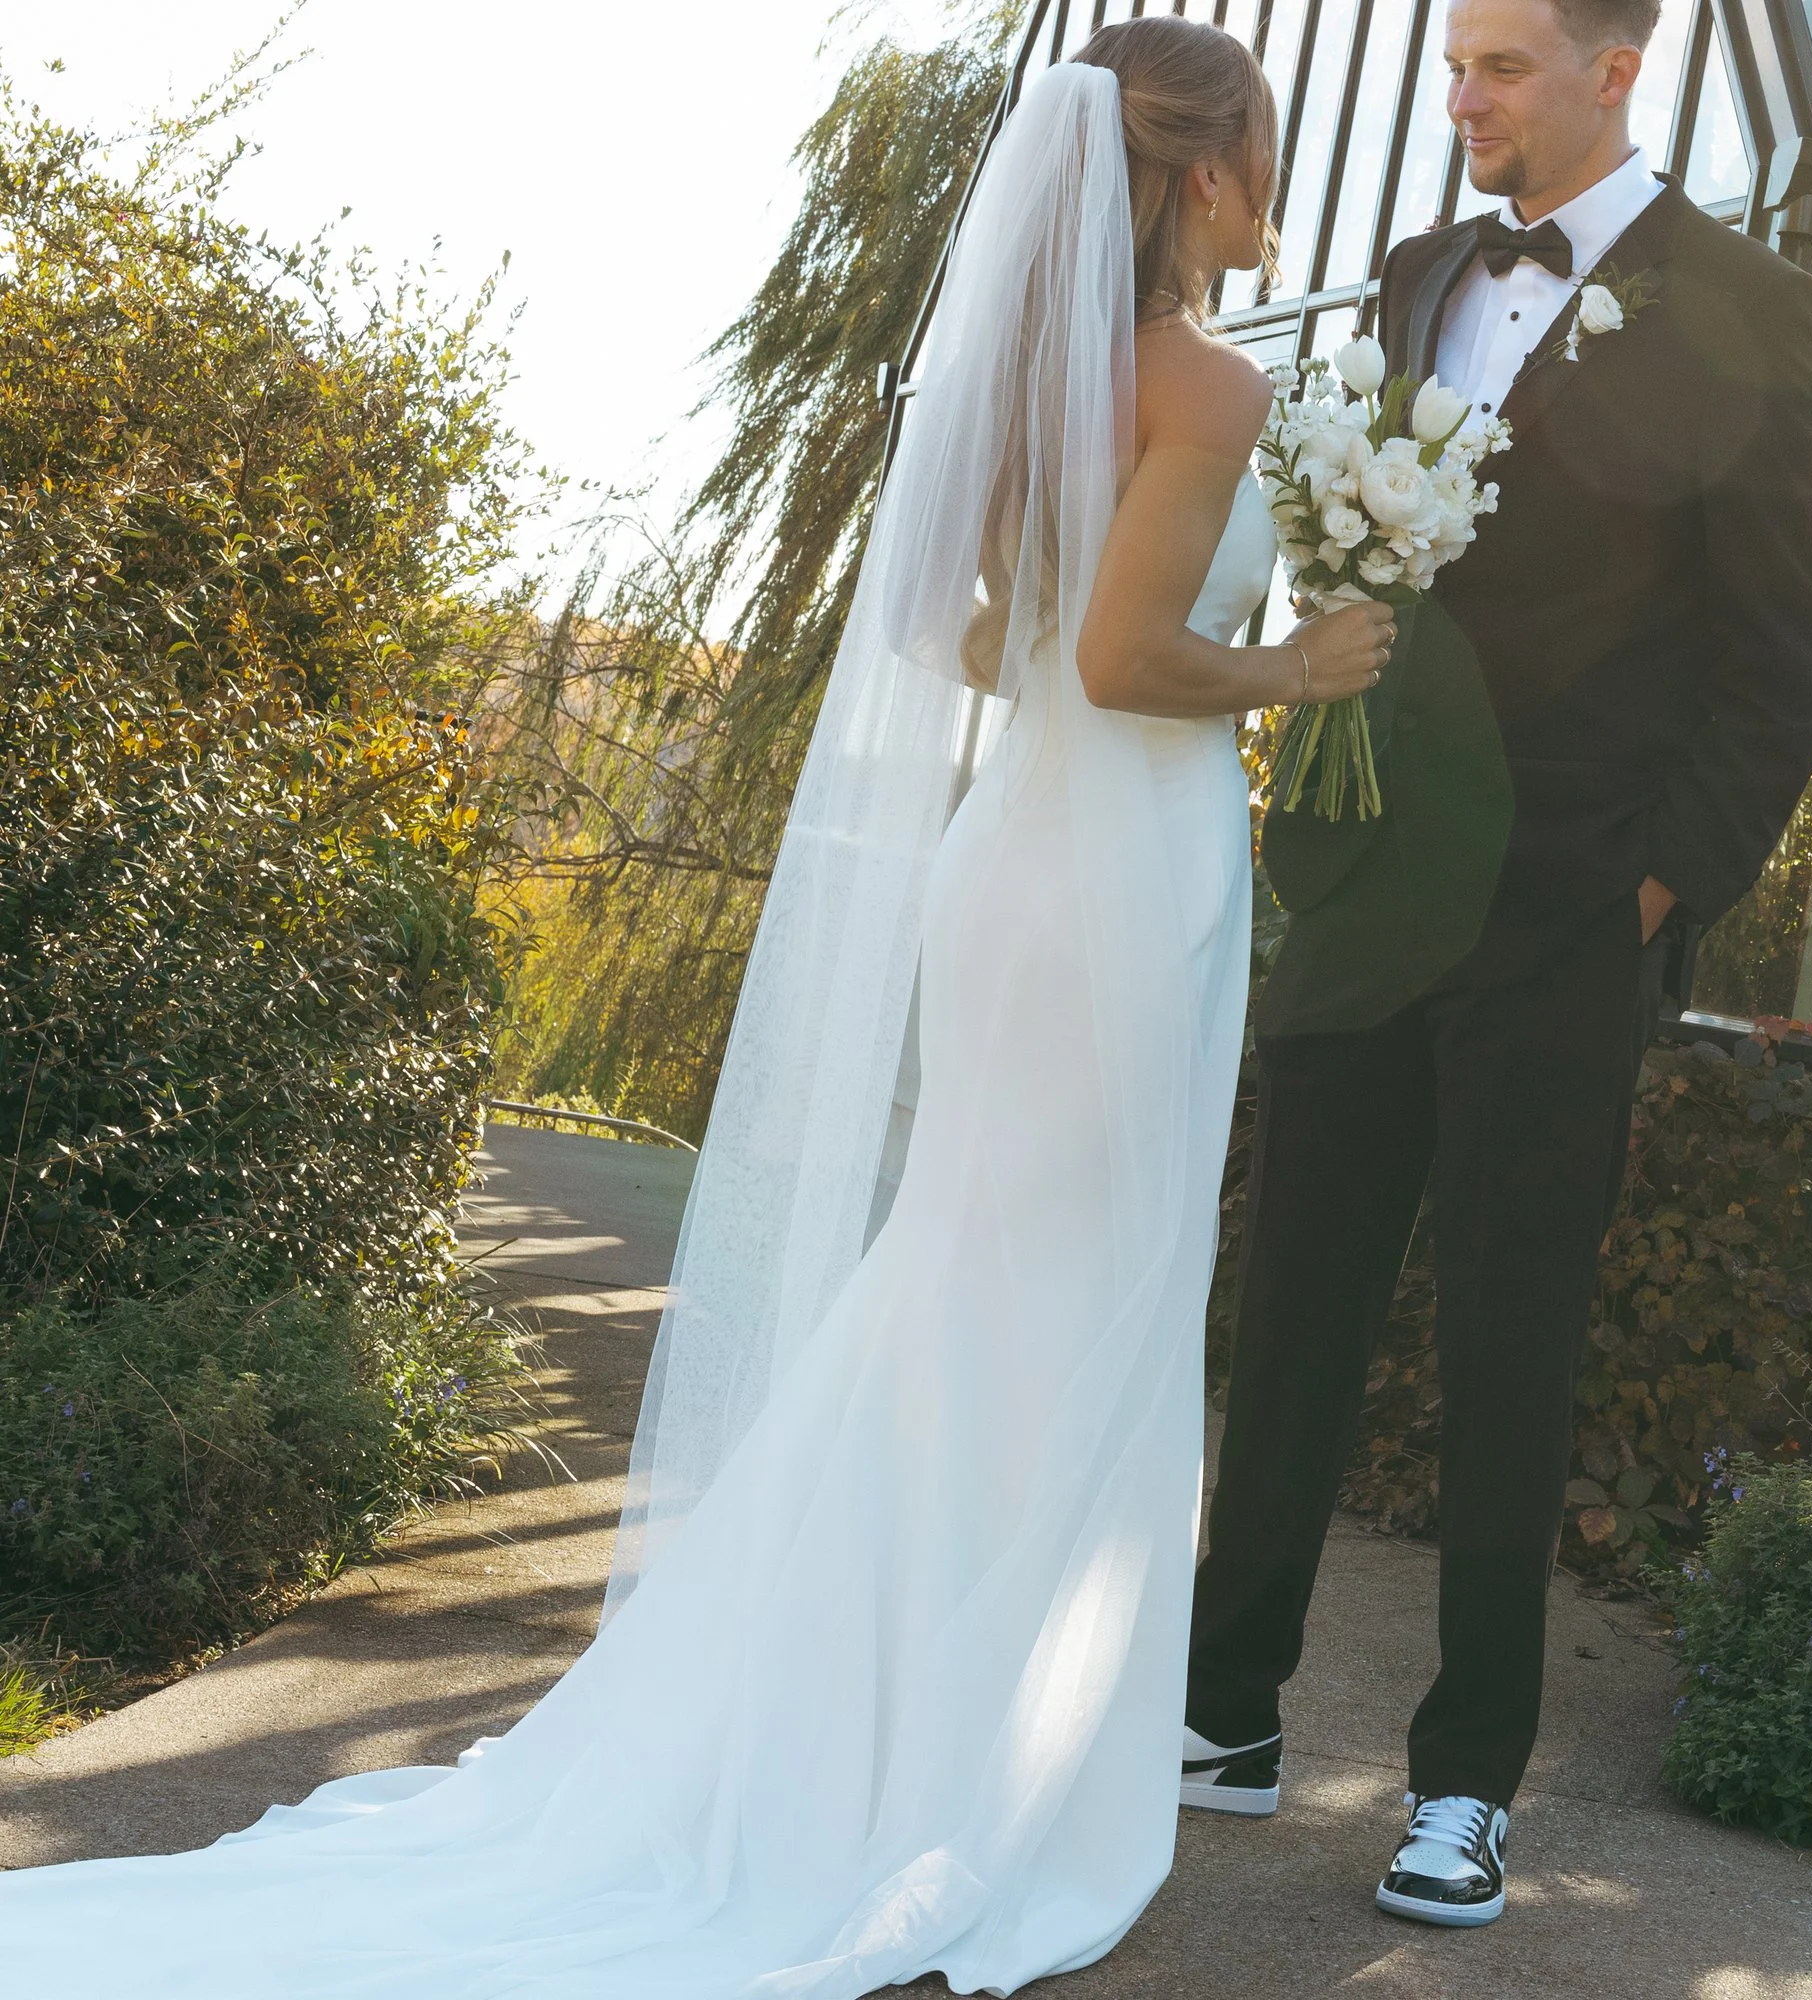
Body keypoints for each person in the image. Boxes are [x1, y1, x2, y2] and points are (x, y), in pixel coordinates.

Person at [0, 24, 1392, 1996]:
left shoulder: (1024, 381)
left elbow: (963, 629)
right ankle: (949, 1757)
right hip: (1115, 882)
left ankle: (842, 1715)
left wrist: (1130, 661)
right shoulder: (1209, 386)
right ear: (1190, 177)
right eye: (1254, 155)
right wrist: (1298, 668)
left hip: (1021, 868)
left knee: (964, 1289)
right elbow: (1117, 652)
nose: (1273, 189)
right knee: (1065, 1299)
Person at [1181, 0, 1812, 1928]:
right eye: (1456, 64)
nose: (1457, 96)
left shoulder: (1746, 308)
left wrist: (1653, 894)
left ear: (1616, 68)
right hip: (1370, 890)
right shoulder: (1410, 279)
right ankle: (1228, 1714)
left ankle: (1465, 1786)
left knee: (1507, 1348)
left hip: (1568, 913)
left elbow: (1795, 641)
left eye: (1496, 67)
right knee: (1293, 1299)